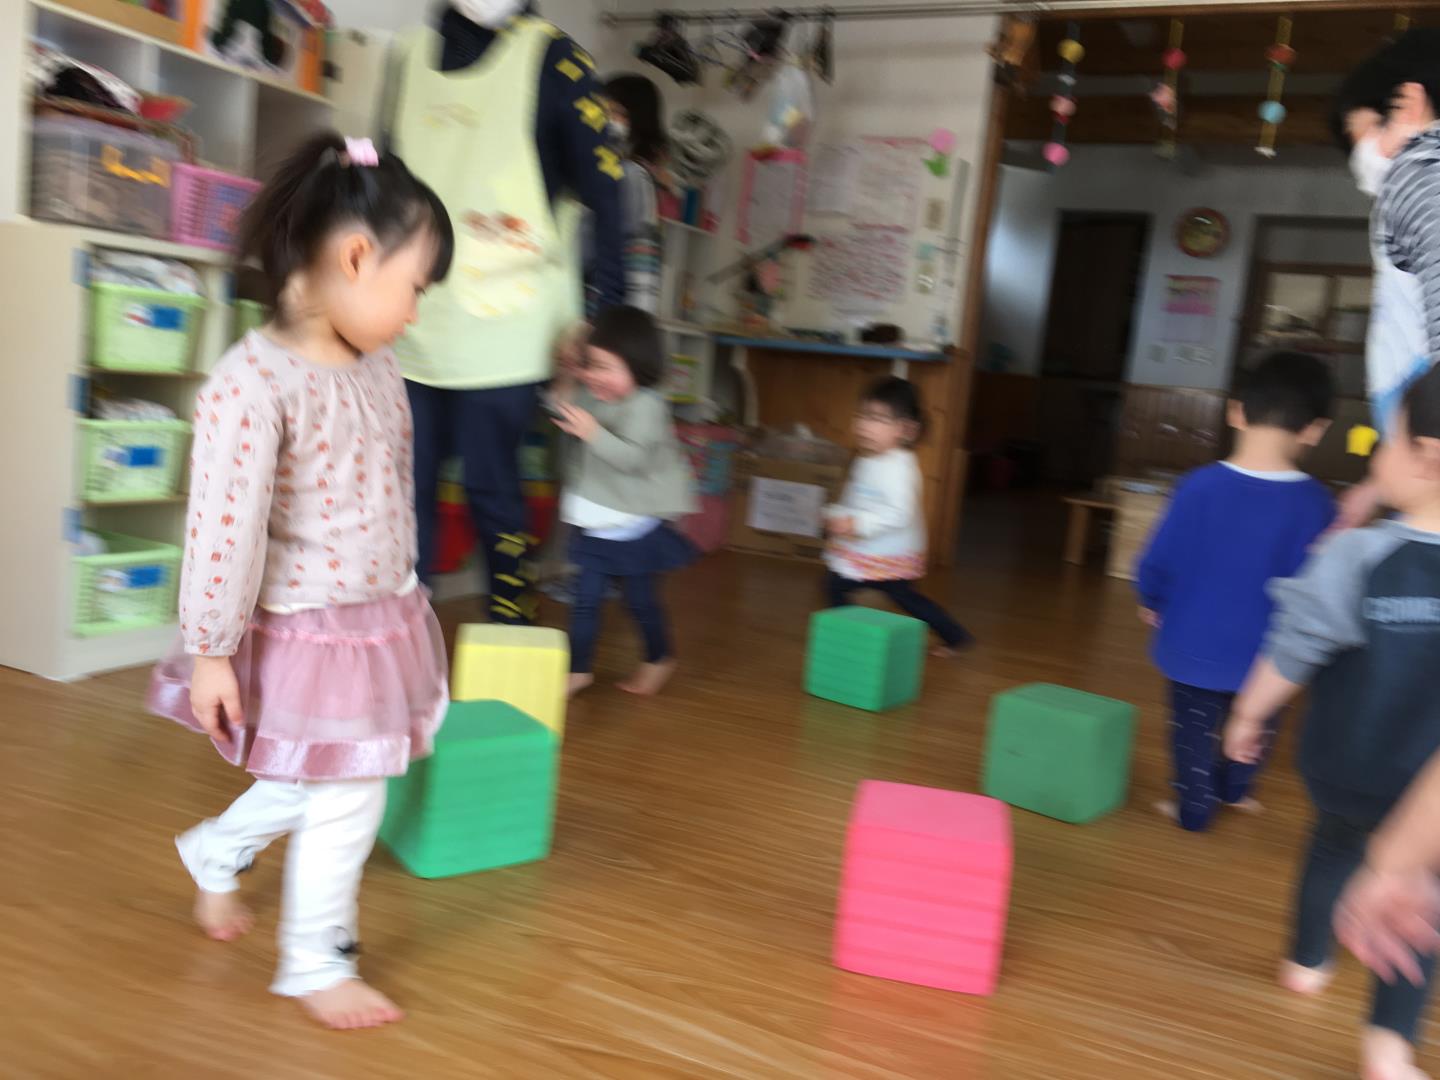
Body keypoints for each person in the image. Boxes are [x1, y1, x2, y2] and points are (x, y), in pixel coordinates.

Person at [146, 133, 455, 1031]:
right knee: (352, 793)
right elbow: (222, 531)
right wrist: (211, 650)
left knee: (321, 775)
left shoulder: (380, 365)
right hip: (307, 630)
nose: (413, 313)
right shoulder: (251, 386)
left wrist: (400, 582)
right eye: (415, 287)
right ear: (356, 257)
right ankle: (316, 960)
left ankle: (216, 852)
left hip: (378, 615)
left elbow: (387, 484)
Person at [1225, 363, 1440, 1080]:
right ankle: (1389, 1045)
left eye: (1388, 439)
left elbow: (1295, 648)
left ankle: (1307, 961)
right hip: (1431, 804)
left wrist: (1247, 713)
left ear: (1426, 456)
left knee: (1331, 853)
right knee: (1421, 902)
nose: (1378, 455)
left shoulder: (1358, 553)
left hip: (1351, 770)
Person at [387, 1, 627, 624]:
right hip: (410, 323)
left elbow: (608, 196)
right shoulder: (407, 56)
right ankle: (401, 640)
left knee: (491, 489)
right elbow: (383, 185)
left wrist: (612, 322)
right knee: (405, 495)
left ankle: (512, 624)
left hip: (510, 329)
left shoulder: (557, 59)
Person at [1135, 352, 1334, 831]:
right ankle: (1235, 790)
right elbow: (1316, 585)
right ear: (1315, 429)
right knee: (1260, 721)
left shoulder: (1197, 487)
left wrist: (1151, 598)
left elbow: (1160, 557)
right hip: (1269, 653)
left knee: (1192, 730)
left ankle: (1194, 810)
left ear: (1236, 411)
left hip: (1193, 640)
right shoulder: (1318, 503)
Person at [550, 305, 697, 697]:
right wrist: (568, 372)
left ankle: (659, 658)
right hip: (596, 526)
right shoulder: (593, 393)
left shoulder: (647, 405)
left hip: (633, 527)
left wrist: (593, 433)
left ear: (638, 364)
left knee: (639, 602)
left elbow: (634, 460)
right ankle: (578, 670)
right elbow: (561, 407)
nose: (595, 376)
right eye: (591, 365)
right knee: (585, 601)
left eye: (605, 368)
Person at [1330, 28, 1440, 530]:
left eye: (1363, 135)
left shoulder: (1419, 171)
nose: (1360, 158)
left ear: (1409, 104)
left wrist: (1418, 449)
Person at [824, 376, 971, 656]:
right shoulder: (866, 458)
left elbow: (899, 513)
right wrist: (837, 515)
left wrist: (857, 523)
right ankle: (848, 635)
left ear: (906, 430)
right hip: (866, 548)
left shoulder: (899, 468)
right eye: (861, 416)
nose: (864, 425)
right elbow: (854, 497)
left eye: (877, 418)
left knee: (906, 599)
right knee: (835, 584)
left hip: (890, 552)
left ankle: (955, 636)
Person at [603, 73, 671, 313]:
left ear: (638, 120)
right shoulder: (612, 172)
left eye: (617, 112)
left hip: (606, 316)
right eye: (603, 111)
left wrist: (634, 322)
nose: (607, 120)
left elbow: (641, 263)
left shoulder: (632, 176)